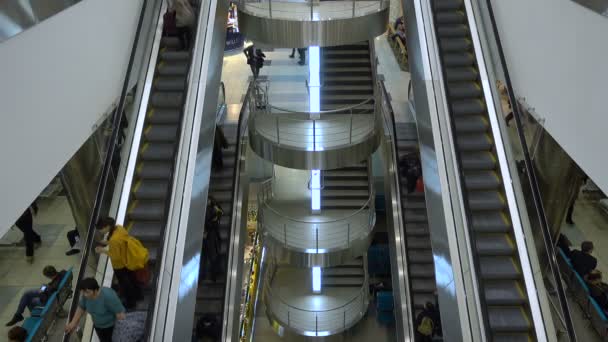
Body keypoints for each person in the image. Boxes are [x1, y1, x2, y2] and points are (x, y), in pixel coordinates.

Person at [95, 217, 148, 309]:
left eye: (101, 229)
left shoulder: (114, 240)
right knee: (133, 279)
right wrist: (108, 242)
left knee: (125, 284)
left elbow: (116, 256)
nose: (100, 231)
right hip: (128, 260)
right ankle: (139, 295)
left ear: (107, 226)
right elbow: (120, 242)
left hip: (120, 265)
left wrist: (102, 250)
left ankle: (130, 303)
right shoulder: (119, 228)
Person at [65, 278, 126, 342]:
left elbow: (120, 315)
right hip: (98, 326)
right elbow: (81, 307)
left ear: (96, 290)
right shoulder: (86, 296)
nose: (85, 294)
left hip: (111, 328)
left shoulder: (108, 296)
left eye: (87, 292)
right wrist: (72, 323)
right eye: (83, 292)